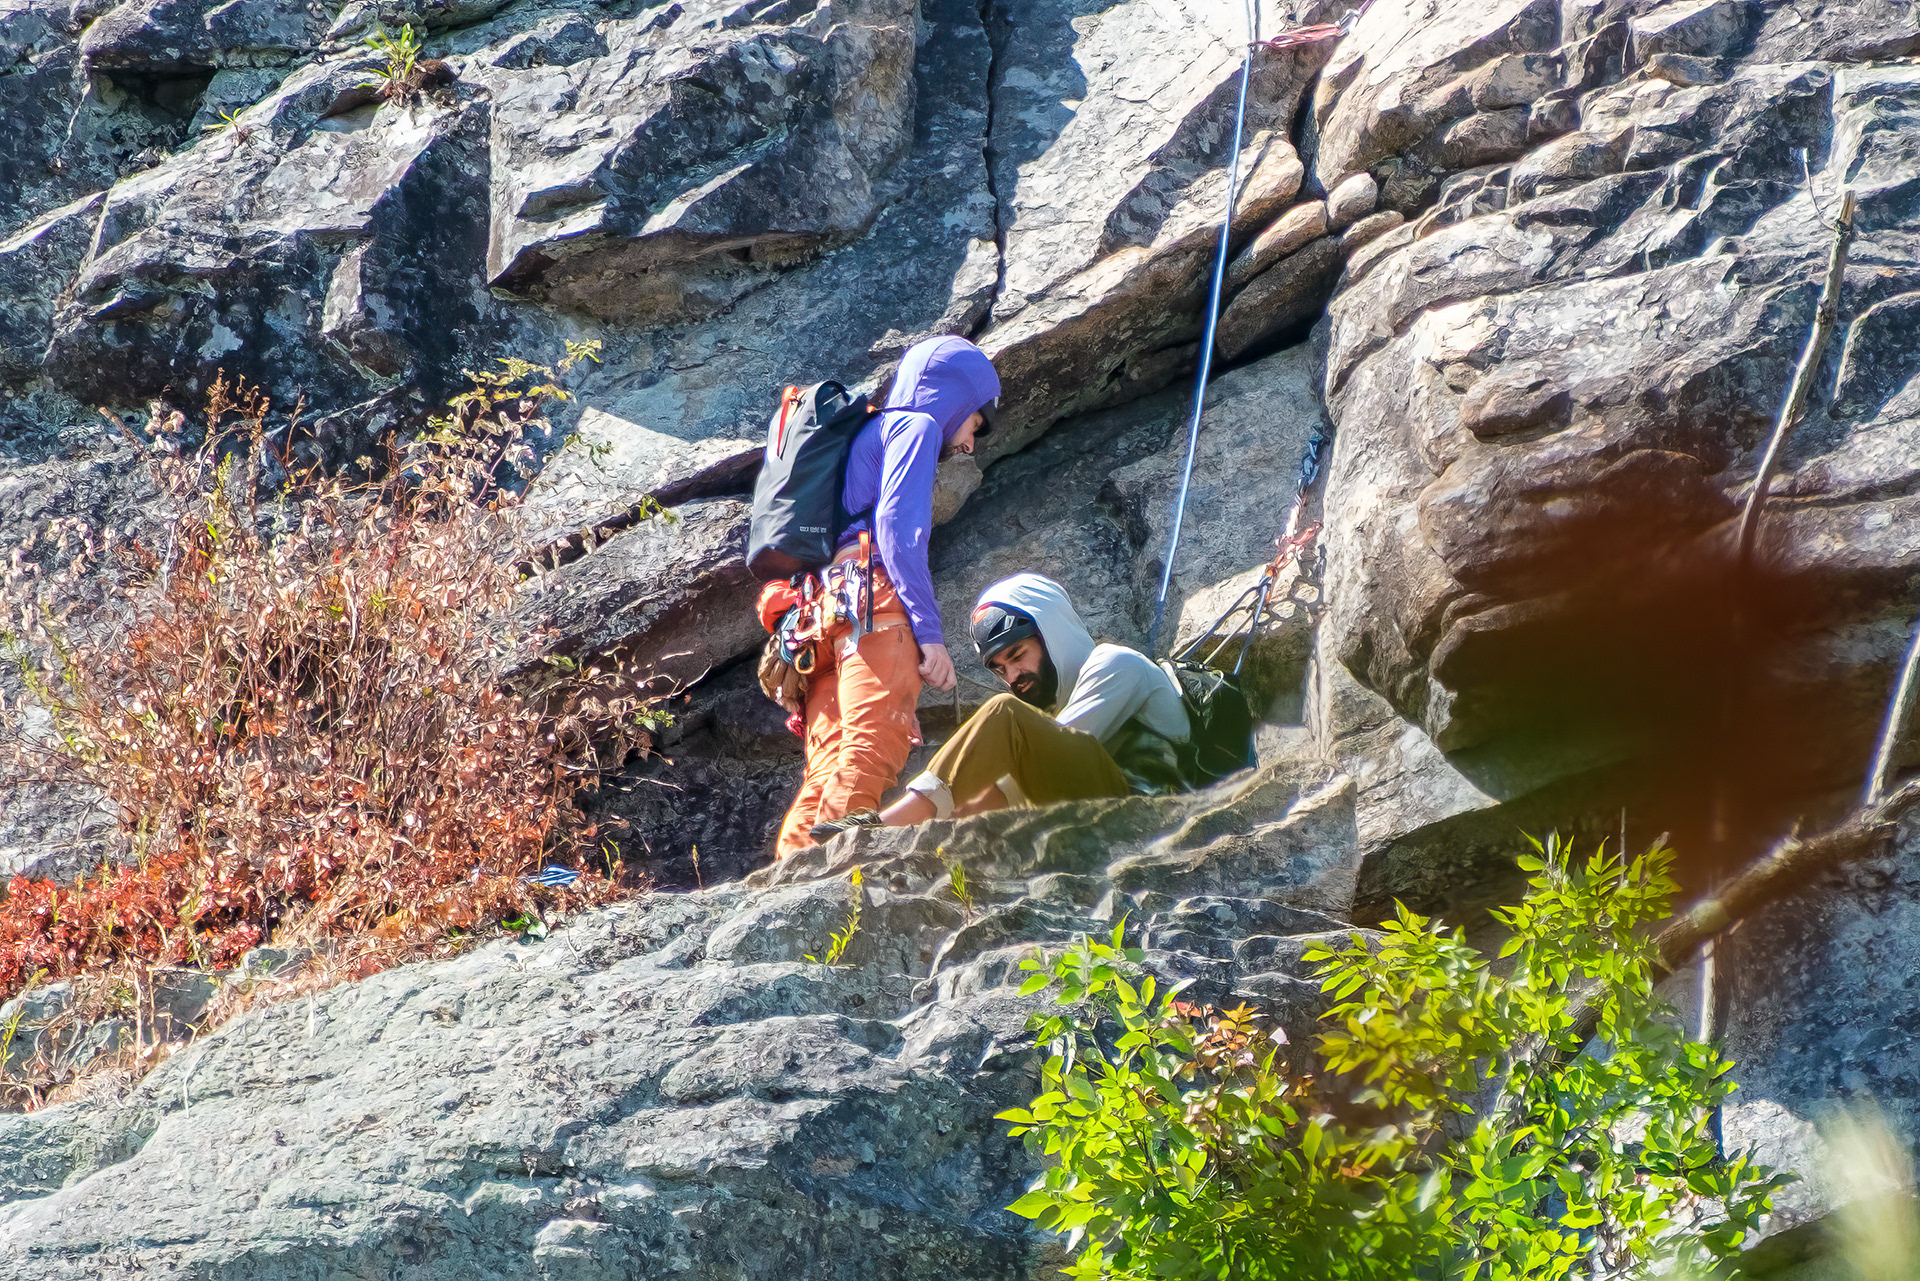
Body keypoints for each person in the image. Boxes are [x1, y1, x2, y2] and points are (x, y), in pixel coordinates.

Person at [773, 335, 1001, 858]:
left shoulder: (864, 435)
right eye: (974, 423)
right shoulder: (915, 426)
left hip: (819, 617)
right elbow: (898, 533)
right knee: (875, 745)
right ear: (955, 399)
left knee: (830, 763)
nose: (969, 442)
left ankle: (778, 883)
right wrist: (929, 634)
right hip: (872, 604)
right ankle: (818, 884)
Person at [811, 572, 1191, 837]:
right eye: (1000, 668)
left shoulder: (1117, 664)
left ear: (1051, 633)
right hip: (1117, 823)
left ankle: (885, 829)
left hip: (1170, 821)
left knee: (1003, 714)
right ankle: (910, 832)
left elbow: (1034, 764)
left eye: (1018, 654)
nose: (1012, 676)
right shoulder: (1057, 714)